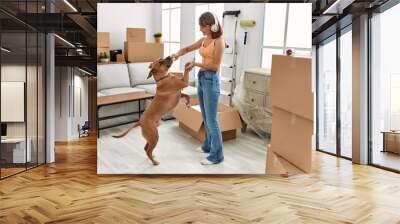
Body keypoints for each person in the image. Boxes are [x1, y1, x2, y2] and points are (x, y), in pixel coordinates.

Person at [171, 11, 225, 165]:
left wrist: (196, 64)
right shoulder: (204, 39)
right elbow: (188, 48)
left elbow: (215, 66)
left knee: (212, 119)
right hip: (201, 78)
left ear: (211, 26)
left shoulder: (219, 42)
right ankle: (208, 146)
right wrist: (177, 55)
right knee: (206, 116)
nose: (200, 29)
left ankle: (217, 155)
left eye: (202, 26)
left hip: (211, 80)